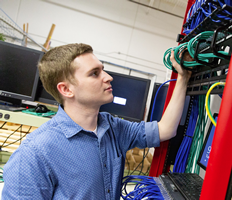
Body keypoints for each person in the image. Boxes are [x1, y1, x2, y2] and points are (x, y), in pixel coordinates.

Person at [2, 43, 191, 199]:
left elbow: (165, 129)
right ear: (66, 90)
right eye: (95, 73)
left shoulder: (113, 127)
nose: (108, 77)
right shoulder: (35, 154)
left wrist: (183, 77)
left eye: (103, 70)